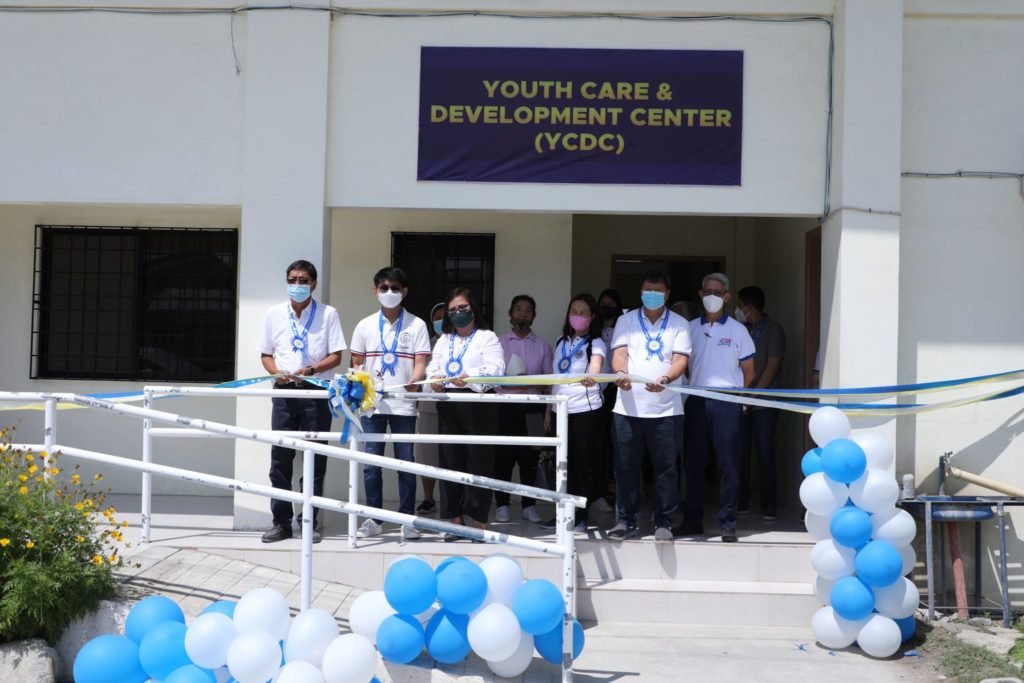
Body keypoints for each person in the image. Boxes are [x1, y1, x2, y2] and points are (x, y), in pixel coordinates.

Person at [258, 259, 345, 544]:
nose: (297, 285)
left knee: (314, 458)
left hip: (316, 392)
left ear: (314, 284)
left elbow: (336, 356)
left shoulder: (328, 313)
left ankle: (309, 521)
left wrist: (311, 370)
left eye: (303, 280)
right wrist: (277, 372)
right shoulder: (274, 314)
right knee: (280, 459)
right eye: (292, 280)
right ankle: (281, 523)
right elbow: (266, 355)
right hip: (284, 393)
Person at [608, 271, 691, 542]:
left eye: (657, 291)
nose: (652, 295)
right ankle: (625, 520)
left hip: (666, 410)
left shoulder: (679, 324)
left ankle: (663, 521)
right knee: (625, 467)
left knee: (665, 468)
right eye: (647, 290)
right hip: (627, 409)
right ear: (641, 292)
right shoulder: (626, 320)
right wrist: (621, 373)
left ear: (667, 294)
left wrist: (666, 379)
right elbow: (619, 354)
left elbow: (680, 360)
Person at [349, 267, 431, 540]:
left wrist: (415, 379)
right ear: (375, 291)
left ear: (404, 292)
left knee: (406, 463)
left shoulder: (417, 325)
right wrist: (361, 386)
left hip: (404, 404)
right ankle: (374, 519)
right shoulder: (364, 325)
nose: (389, 292)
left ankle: (407, 519)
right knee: (371, 464)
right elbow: (356, 364)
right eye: (384, 288)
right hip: (372, 406)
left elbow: (421, 362)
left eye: (395, 288)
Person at [676, 273, 755, 543]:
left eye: (718, 292)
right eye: (707, 291)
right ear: (700, 294)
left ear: (727, 296)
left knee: (728, 464)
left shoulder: (738, 330)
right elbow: (684, 365)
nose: (712, 296)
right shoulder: (688, 328)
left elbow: (749, 370)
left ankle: (728, 522)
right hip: (697, 400)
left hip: (727, 401)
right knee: (694, 463)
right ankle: (692, 520)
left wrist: (739, 399)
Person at [427, 288, 505, 541]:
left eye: (463, 308)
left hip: (478, 405)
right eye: (452, 310)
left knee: (480, 461)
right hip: (449, 405)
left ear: (473, 308)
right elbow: (433, 368)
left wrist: (470, 378)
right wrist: (435, 380)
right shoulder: (443, 340)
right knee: (450, 460)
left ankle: (479, 519)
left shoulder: (487, 337)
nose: (458, 313)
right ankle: (454, 518)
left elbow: (496, 368)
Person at [541, 294, 606, 532]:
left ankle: (580, 517)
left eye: (583, 312)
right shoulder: (560, 341)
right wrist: (548, 412)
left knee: (582, 464)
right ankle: (561, 514)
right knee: (561, 465)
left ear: (592, 317)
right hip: (559, 409)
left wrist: (593, 375)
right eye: (574, 311)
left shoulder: (596, 342)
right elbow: (553, 379)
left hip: (585, 411)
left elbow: (596, 366)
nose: (577, 316)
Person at [495, 295, 553, 524]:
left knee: (530, 459)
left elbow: (548, 382)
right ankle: (502, 505)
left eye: (528, 310)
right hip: (505, 407)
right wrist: (527, 381)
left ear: (534, 316)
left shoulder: (542, 345)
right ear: (510, 313)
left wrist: (547, 413)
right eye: (518, 309)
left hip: (534, 408)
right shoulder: (499, 343)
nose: (523, 314)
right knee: (503, 458)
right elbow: (495, 381)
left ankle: (529, 505)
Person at [735, 285, 786, 521]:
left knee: (765, 453)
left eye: (739, 306)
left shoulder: (774, 330)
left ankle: (769, 504)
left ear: (748, 308)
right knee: (741, 453)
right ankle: (742, 501)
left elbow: (771, 368)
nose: (737, 311)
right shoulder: (742, 330)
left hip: (765, 403)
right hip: (741, 400)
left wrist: (751, 396)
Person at [413, 302, 446, 515]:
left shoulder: (459, 342)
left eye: (445, 316)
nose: (441, 321)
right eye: (437, 317)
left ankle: (453, 500)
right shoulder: (425, 344)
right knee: (427, 455)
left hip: (453, 405)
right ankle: (428, 498)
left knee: (453, 454)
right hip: (427, 406)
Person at [594, 288, 623, 512]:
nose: (607, 307)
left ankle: (615, 487)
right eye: (603, 303)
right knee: (599, 442)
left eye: (611, 303)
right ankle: (600, 489)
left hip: (617, 389)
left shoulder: (623, 329)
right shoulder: (594, 331)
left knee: (617, 441)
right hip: (596, 391)